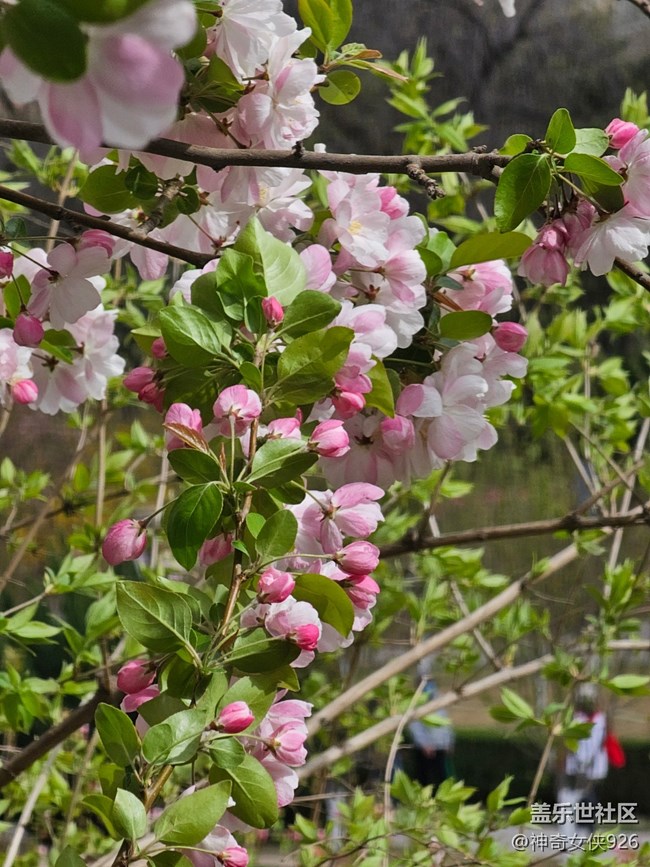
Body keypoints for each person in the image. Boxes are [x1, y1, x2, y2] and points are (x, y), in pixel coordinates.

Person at [557, 687, 608, 836]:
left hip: (592, 768)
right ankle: (576, 828)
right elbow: (570, 743)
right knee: (574, 796)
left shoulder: (600, 720)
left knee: (589, 796)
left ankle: (588, 826)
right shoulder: (576, 719)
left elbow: (600, 742)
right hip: (576, 767)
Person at [407, 679, 455, 788]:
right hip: (425, 749)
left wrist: (449, 742)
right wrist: (424, 744)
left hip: (440, 747)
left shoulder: (439, 700)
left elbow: (446, 724)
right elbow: (415, 727)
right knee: (423, 777)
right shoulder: (416, 703)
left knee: (442, 777)